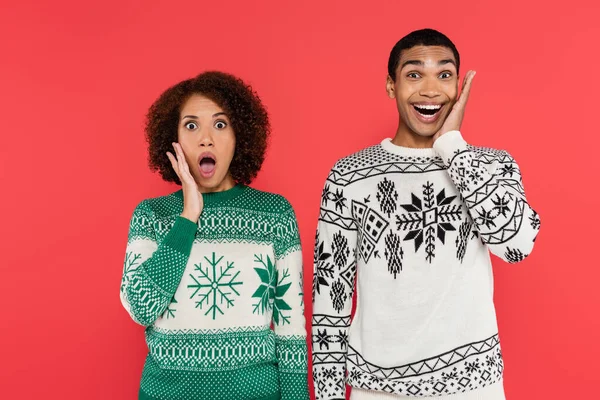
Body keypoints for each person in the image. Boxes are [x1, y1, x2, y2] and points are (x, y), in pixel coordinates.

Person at [311, 29, 541, 400]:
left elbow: (517, 245)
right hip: (377, 389)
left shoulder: (491, 166)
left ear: (460, 85)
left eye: (444, 74)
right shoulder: (349, 177)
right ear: (391, 86)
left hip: (473, 388)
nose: (430, 89)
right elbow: (331, 299)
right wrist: (329, 395)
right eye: (414, 74)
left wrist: (452, 146)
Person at [120, 71, 309, 400]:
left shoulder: (275, 214)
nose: (206, 138)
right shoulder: (151, 216)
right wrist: (188, 217)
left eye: (220, 124)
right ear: (173, 138)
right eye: (191, 125)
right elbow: (140, 308)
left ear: (239, 136)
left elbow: (291, 327)